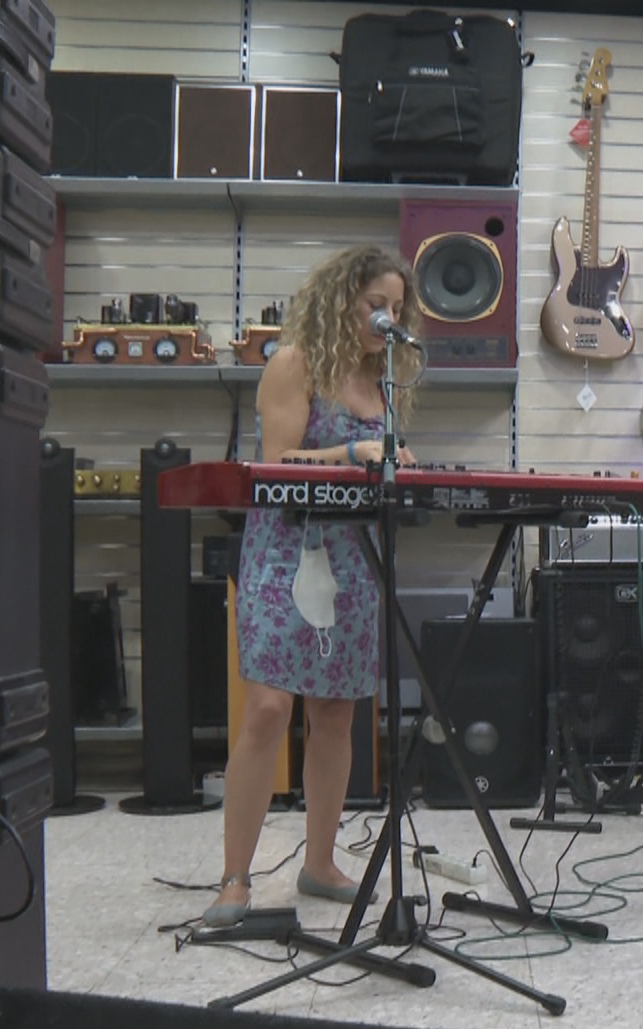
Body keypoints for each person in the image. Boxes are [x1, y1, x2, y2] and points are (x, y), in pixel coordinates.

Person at [202, 246, 421, 927]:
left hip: (353, 559)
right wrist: (352, 453)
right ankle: (235, 878)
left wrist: (397, 462)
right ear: (339, 301)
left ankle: (319, 863)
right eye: (374, 307)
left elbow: (378, 464)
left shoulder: (383, 375)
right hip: (285, 553)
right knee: (268, 708)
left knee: (336, 713)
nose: (387, 320)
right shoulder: (294, 363)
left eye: (396, 309)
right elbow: (277, 464)